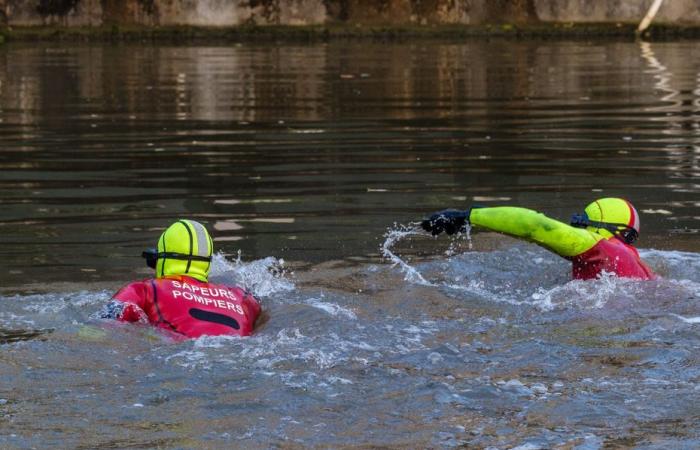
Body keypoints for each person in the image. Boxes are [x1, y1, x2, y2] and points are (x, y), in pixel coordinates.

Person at [421, 197, 655, 280]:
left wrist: (467, 217)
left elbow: (535, 226)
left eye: (580, 223)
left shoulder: (601, 248)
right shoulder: (636, 263)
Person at [101, 219, 261, 339]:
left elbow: (99, 329)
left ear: (160, 259)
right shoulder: (242, 297)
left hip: (181, 352)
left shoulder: (144, 289)